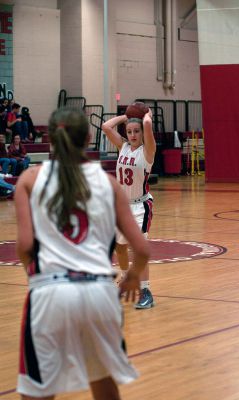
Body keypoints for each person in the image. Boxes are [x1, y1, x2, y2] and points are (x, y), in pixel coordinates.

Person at [15, 107, 150, 400]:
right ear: (89, 138)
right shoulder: (109, 183)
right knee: (103, 386)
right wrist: (132, 277)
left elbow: (25, 248)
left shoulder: (29, 179)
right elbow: (142, 249)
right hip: (99, 292)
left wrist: (39, 278)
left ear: (49, 137)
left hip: (49, 291)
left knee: (38, 392)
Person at [102, 108, 156, 309]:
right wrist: (127, 116)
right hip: (122, 206)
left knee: (138, 250)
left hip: (141, 206)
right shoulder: (123, 146)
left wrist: (146, 114)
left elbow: (148, 124)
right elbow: (106, 126)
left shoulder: (148, 151)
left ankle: (145, 290)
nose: (133, 135)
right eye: (130, 131)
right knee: (120, 246)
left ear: (143, 133)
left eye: (136, 131)